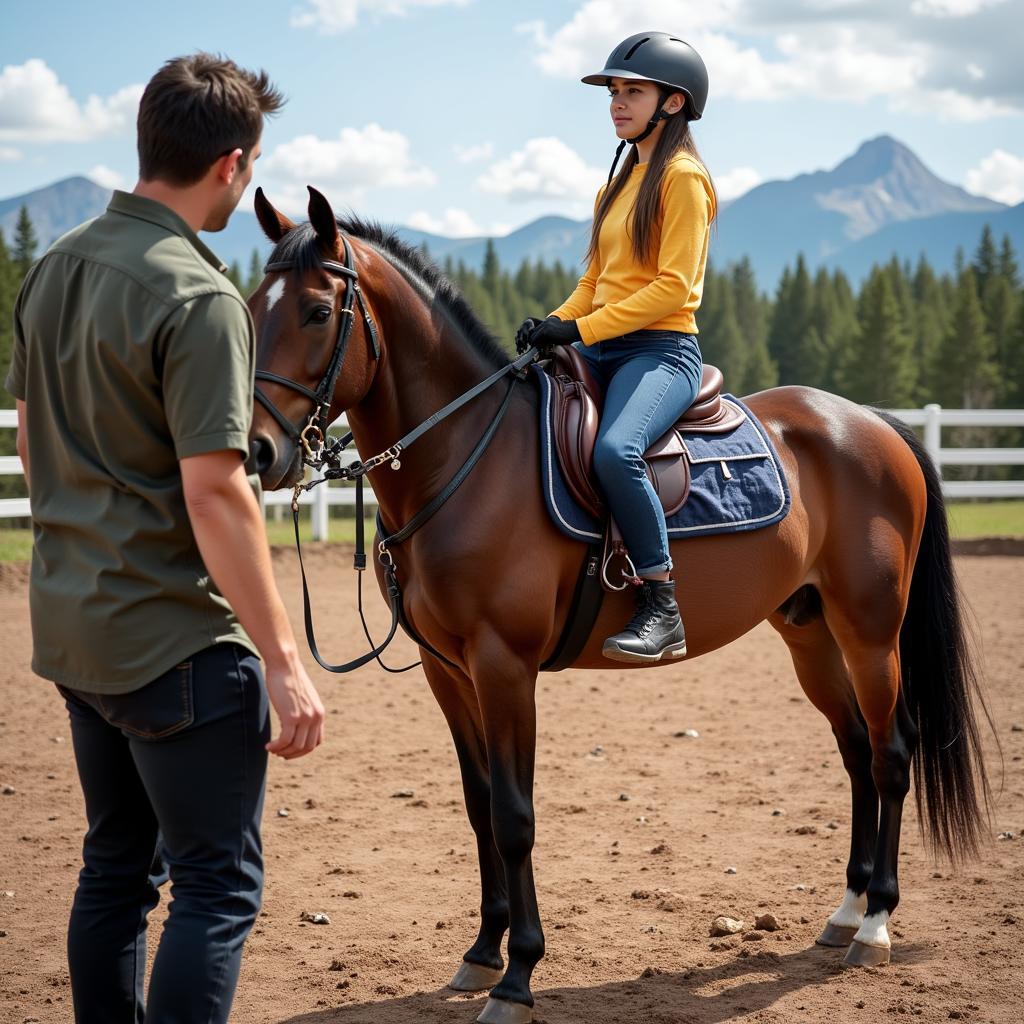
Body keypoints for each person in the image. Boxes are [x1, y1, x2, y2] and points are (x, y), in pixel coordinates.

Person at [5, 53, 325, 1023]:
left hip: (77, 634)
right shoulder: (201, 295)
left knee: (113, 871)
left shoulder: (54, 265)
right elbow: (218, 492)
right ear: (232, 165)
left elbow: (29, 428)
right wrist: (282, 658)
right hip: (180, 649)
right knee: (216, 888)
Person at [516, 31, 717, 664]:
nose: (617, 103)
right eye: (613, 93)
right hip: (603, 346)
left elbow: (672, 290)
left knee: (616, 450)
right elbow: (595, 283)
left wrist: (581, 330)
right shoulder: (618, 184)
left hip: (661, 351)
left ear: (674, 103)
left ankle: (662, 603)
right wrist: (553, 321)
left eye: (633, 91)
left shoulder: (682, 179)